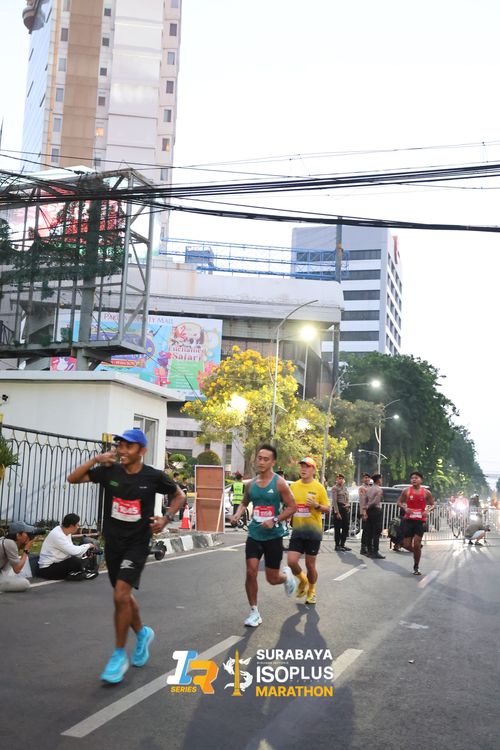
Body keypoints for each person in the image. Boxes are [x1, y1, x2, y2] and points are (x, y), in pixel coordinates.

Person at [67, 428, 186, 684]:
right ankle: (142, 634)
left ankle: (119, 655)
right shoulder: (110, 471)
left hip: (137, 543)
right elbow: (73, 478)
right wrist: (96, 459)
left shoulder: (153, 476)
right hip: (113, 543)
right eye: (120, 445)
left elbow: (179, 495)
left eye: (128, 446)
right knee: (123, 596)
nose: (122, 450)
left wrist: (165, 519)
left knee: (120, 595)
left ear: (142, 450)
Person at [230, 444, 297, 627]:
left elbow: (292, 507)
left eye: (266, 459)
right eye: (259, 458)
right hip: (254, 534)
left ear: (273, 462)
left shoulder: (279, 483)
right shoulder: (251, 484)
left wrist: (274, 519)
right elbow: (244, 503)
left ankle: (286, 577)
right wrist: (237, 514)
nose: (261, 462)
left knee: (272, 578)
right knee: (250, 571)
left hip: (273, 535)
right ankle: (254, 612)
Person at [287, 457, 330, 605]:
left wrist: (316, 505)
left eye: (307, 466)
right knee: (291, 561)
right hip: (298, 531)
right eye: (302, 466)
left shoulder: (319, 487)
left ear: (313, 470)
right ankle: (303, 580)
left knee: (310, 565)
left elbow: (327, 508)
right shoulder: (294, 486)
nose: (303, 469)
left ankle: (311, 590)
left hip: (313, 532)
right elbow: (289, 505)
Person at [38, 513, 98, 580]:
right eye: (77, 524)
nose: (78, 526)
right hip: (47, 569)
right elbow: (74, 551)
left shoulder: (65, 532)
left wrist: (85, 555)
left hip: (58, 563)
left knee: (81, 560)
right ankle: (79, 574)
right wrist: (88, 545)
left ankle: (78, 573)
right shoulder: (57, 535)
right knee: (74, 561)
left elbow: (71, 550)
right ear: (72, 525)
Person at [397, 472, 435, 576]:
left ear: (421, 480)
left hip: (420, 521)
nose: (414, 479)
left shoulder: (426, 492)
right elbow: (399, 502)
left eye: (416, 478)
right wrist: (405, 508)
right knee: (406, 545)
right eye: (412, 478)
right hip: (408, 520)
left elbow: (433, 504)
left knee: (417, 543)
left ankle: (416, 566)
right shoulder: (406, 491)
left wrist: (427, 511)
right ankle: (417, 552)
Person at [0, 522, 37, 592]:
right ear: (18, 535)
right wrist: (26, 549)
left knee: (11, 560)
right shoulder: (10, 543)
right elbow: (17, 569)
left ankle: (4, 579)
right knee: (25, 583)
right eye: (26, 533)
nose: (29, 535)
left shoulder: (5, 540)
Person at [362, 473, 385, 559]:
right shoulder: (379, 490)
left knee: (369, 532)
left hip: (369, 512)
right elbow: (375, 502)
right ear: (378, 480)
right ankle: (375, 551)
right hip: (376, 511)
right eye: (381, 479)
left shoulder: (368, 489)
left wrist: (365, 509)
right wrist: (368, 506)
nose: (381, 481)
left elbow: (365, 500)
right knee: (376, 533)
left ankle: (369, 551)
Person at [331, 473, 351, 551]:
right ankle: (337, 545)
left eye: (342, 478)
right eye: (339, 478)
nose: (341, 480)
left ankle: (342, 544)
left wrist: (348, 504)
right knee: (338, 528)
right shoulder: (335, 488)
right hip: (338, 507)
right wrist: (337, 512)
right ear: (337, 479)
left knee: (346, 527)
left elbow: (347, 498)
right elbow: (334, 501)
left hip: (344, 508)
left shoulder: (344, 488)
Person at [358, 473, 373, 555]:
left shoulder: (371, 487)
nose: (367, 479)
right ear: (363, 479)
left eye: (368, 478)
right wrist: (363, 513)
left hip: (370, 511)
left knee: (370, 530)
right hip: (365, 511)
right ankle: (363, 548)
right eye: (365, 478)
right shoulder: (362, 488)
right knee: (366, 530)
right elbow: (362, 501)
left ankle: (368, 546)